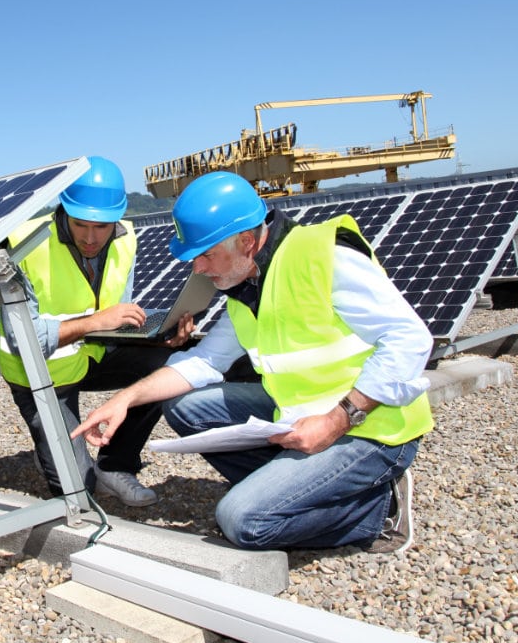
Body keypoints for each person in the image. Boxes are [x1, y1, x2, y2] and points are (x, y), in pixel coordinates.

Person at [72, 171, 433, 552]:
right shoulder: (246, 287)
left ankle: (378, 511)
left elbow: (409, 340)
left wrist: (335, 421)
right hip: (301, 413)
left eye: (206, 254)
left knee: (243, 522)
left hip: (371, 428)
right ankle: (295, 489)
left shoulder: (326, 257)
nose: (198, 269)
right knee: (184, 405)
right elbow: (204, 362)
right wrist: (124, 400)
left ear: (246, 241)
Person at [0, 156, 193, 507]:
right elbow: (22, 339)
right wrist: (95, 322)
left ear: (117, 218)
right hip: (40, 373)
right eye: (80, 224)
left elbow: (119, 320)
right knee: (78, 495)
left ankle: (115, 465)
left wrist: (162, 334)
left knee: (171, 362)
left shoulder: (126, 238)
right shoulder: (24, 244)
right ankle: (56, 450)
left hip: (92, 354)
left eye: (102, 227)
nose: (91, 238)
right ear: (63, 210)